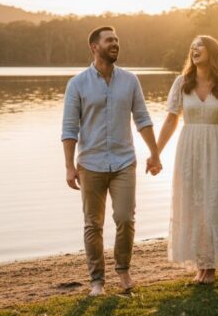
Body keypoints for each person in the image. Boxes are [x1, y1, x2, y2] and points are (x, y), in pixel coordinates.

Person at [62, 26, 162, 296]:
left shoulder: (130, 81)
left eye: (117, 40)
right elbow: (70, 129)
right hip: (90, 164)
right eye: (109, 41)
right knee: (92, 224)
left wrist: (154, 152)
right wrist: (69, 166)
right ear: (95, 47)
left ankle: (123, 270)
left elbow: (142, 119)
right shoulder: (77, 84)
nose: (115, 44)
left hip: (123, 162)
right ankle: (97, 281)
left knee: (125, 218)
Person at [155, 35, 218, 284]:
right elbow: (171, 119)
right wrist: (155, 152)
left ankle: (210, 267)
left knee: (213, 207)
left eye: (200, 46)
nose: (194, 49)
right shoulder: (181, 82)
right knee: (193, 207)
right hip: (189, 150)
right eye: (192, 47)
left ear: (212, 51)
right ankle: (201, 265)